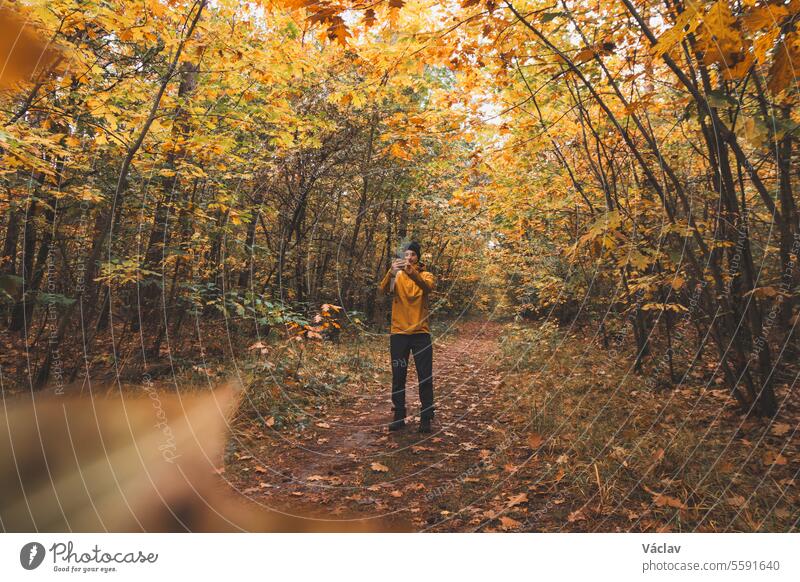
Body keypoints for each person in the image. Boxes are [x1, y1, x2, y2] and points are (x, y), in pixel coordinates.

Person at [378, 241, 436, 433]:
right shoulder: (397, 275)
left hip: (421, 334)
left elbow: (427, 287)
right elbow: (384, 290)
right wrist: (391, 272)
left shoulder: (426, 274)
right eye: (406, 254)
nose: (409, 257)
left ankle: (426, 417)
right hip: (399, 334)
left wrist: (412, 272)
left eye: (413, 254)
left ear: (418, 257)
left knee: (424, 376)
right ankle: (398, 415)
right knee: (398, 376)